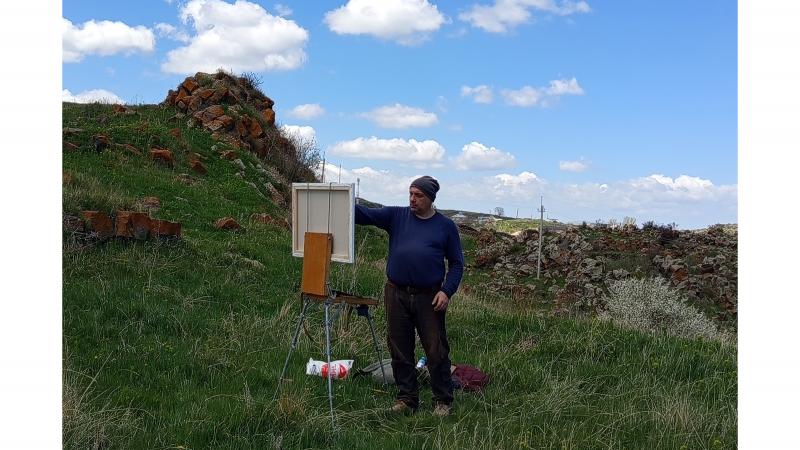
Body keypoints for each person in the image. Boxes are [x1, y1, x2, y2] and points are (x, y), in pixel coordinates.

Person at [355, 175, 464, 417]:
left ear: (431, 198)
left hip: (430, 297)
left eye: (419, 195)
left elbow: (457, 264)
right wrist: (337, 201)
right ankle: (407, 399)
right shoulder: (396, 216)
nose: (412, 199)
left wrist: (446, 291)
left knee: (435, 349)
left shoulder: (445, 226)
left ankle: (443, 400)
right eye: (411, 194)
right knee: (399, 347)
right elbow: (364, 214)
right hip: (396, 293)